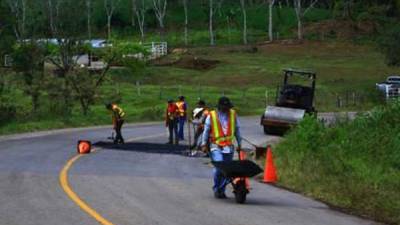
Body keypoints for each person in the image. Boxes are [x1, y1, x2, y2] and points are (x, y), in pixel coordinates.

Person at [201, 96, 242, 199]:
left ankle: (221, 190)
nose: (226, 109)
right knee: (219, 168)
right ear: (220, 107)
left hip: (229, 147)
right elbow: (206, 131)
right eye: (224, 107)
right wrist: (203, 144)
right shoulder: (212, 115)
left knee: (227, 170)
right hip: (216, 146)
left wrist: (239, 143)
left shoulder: (233, 114)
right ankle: (216, 188)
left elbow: (237, 130)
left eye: (228, 107)